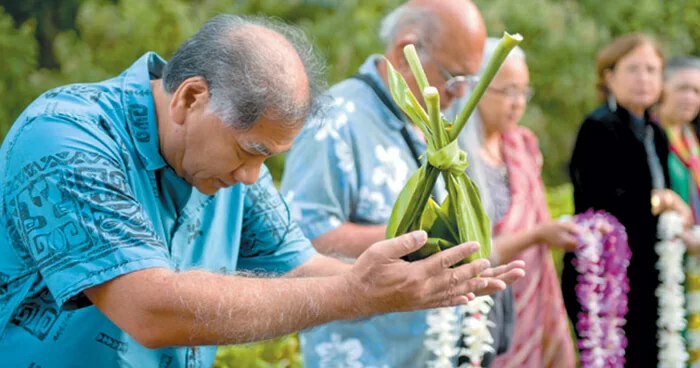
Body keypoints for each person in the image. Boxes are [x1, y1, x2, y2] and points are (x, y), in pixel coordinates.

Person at [0, 14, 527, 367]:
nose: (253, 178)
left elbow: (297, 264)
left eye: (268, 158)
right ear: (190, 98)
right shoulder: (68, 138)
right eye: (250, 151)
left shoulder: (228, 159)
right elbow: (149, 309)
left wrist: (408, 284)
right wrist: (353, 293)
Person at [281, 1, 524, 367]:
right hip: (365, 353)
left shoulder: (435, 117)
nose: (461, 94)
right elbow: (300, 240)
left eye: (469, 82)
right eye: (454, 77)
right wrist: (427, 240)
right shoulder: (335, 122)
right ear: (403, 51)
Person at [562, 33, 693, 367]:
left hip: (650, 268)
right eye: (633, 69)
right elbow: (601, 203)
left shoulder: (655, 130)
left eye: (652, 69)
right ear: (609, 76)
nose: (644, 78)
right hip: (608, 272)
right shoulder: (599, 127)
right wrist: (661, 201)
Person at [445, 37, 577, 368]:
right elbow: (464, 253)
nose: (518, 103)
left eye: (524, 92)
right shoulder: (451, 156)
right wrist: (537, 235)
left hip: (528, 304)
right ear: (476, 89)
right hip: (472, 311)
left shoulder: (522, 147)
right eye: (508, 91)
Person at [655, 56, 700, 363]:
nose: (690, 98)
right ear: (662, 89)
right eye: (682, 88)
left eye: (697, 91)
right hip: (664, 262)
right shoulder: (653, 136)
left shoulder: (691, 139)